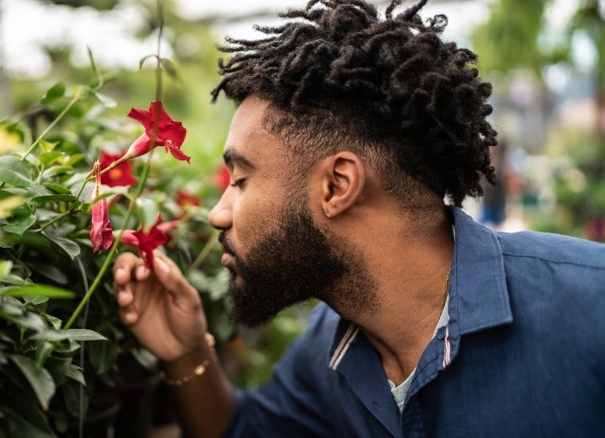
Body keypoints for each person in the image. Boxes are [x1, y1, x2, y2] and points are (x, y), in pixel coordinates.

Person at [112, 0, 605, 436]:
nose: (218, 215)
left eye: (240, 180)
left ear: (337, 185)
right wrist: (188, 352)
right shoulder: (330, 344)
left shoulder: (590, 307)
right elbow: (245, 430)